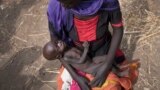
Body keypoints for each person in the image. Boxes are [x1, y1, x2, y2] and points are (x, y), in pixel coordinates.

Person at [44, 0, 130, 89]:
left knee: (114, 84)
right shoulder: (56, 7)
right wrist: (77, 78)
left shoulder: (106, 1)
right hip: (77, 64)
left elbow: (118, 29)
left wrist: (107, 65)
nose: (63, 6)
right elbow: (59, 53)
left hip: (104, 50)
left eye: (66, 1)